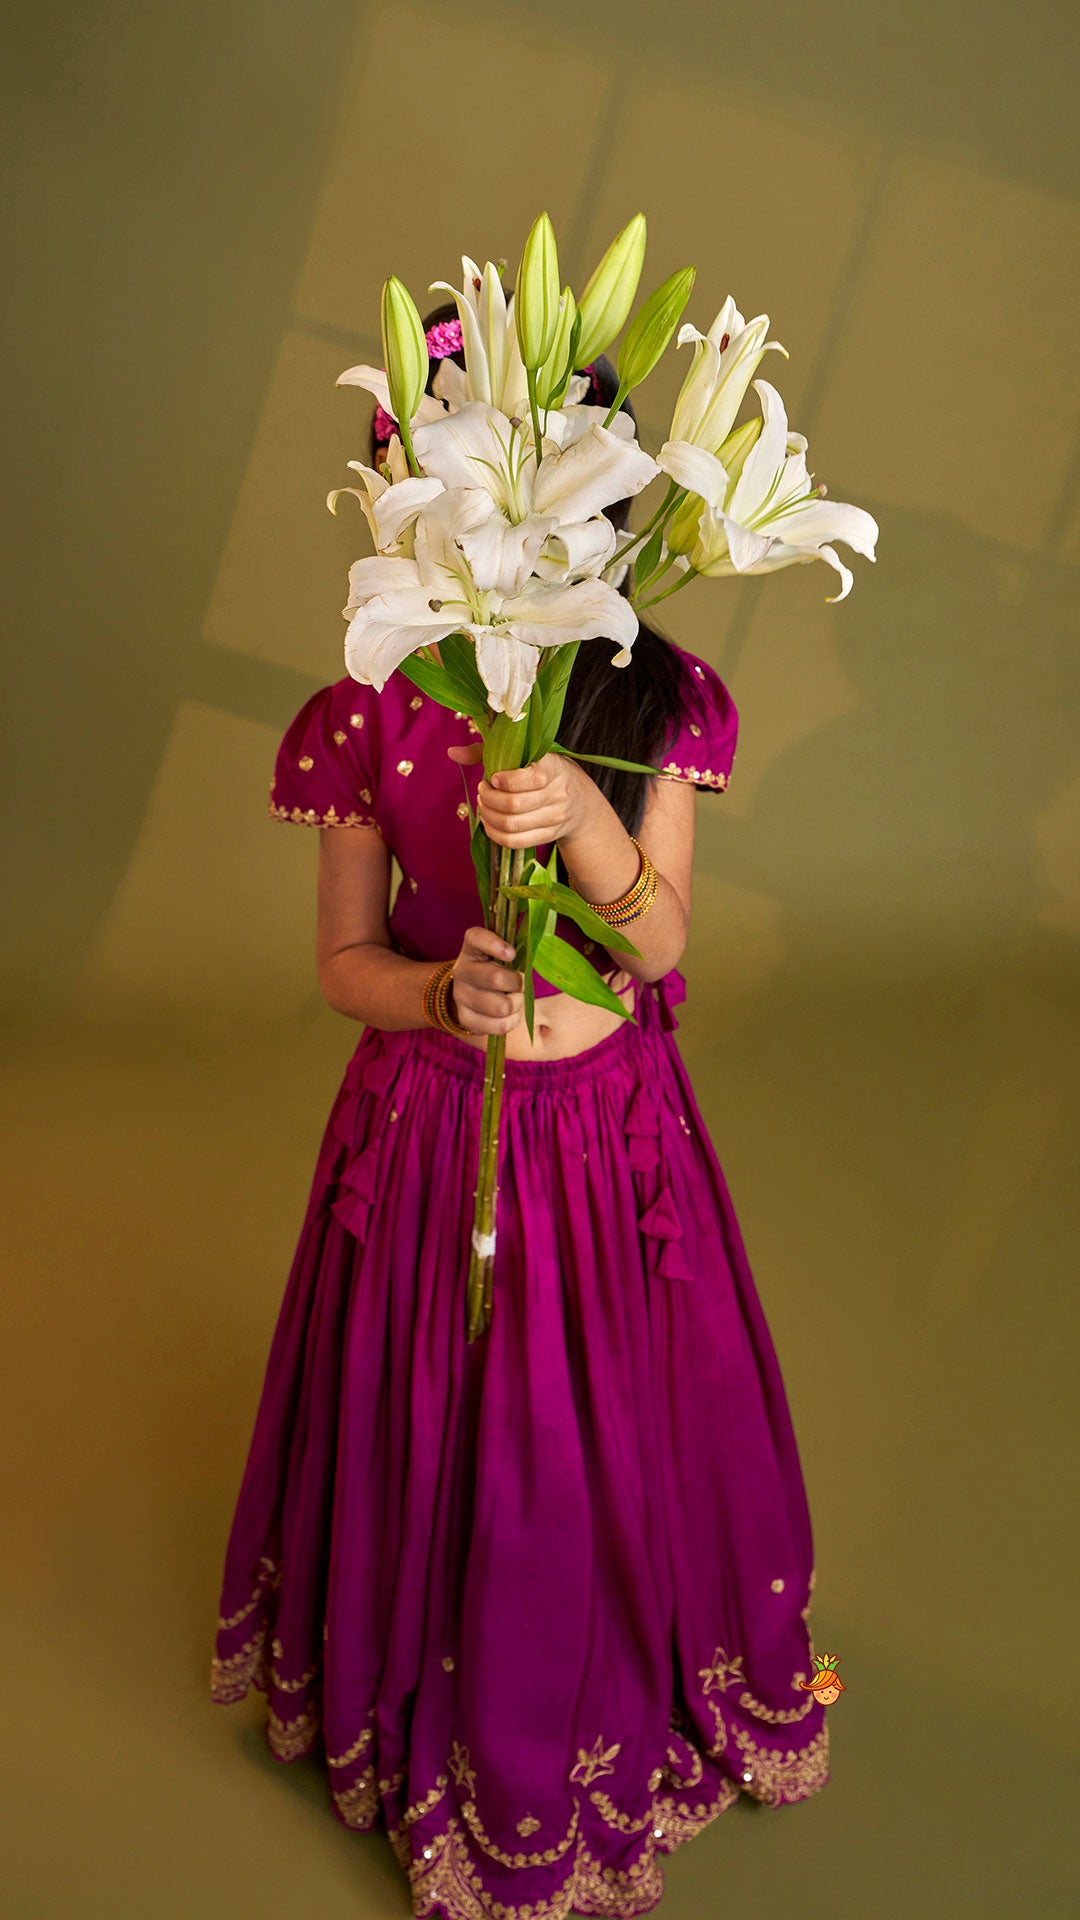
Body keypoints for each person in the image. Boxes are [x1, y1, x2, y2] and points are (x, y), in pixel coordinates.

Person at [209, 309, 830, 1920]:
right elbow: (347, 961)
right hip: (434, 1136)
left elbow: (665, 946)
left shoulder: (657, 698)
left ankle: (599, 1691)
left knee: (600, 1435)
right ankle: (428, 1695)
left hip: (606, 1137)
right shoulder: (372, 700)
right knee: (442, 1416)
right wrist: (438, 998)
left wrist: (585, 833)